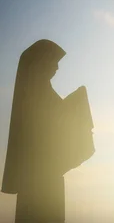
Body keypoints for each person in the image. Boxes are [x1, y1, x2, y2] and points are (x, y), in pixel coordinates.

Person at [1, 39, 94, 223]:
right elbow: (49, 122)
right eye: (54, 62)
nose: (57, 68)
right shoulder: (35, 92)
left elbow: (56, 119)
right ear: (41, 62)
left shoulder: (42, 90)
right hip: (40, 178)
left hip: (44, 176)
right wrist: (78, 102)